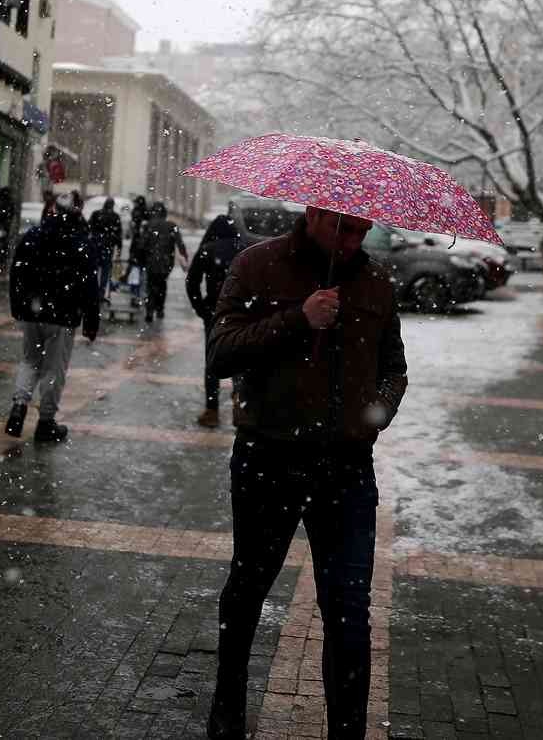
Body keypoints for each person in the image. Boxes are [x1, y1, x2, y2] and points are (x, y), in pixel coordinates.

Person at [206, 207, 407, 740]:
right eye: (345, 227)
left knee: (348, 609)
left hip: (345, 467)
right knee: (248, 587)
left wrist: (376, 415)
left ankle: (348, 732)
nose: (354, 240)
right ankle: (227, 711)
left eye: (364, 230)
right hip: (268, 457)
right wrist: (299, 318)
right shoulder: (257, 264)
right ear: (315, 211)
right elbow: (220, 352)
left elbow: (395, 368)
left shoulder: (376, 281)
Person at [4, 193, 100, 443]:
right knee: (53, 370)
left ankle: (18, 407)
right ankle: (45, 422)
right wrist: (91, 320)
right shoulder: (80, 241)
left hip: (33, 314)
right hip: (62, 317)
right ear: (78, 213)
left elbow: (17, 272)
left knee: (29, 361)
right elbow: (91, 286)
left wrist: (19, 306)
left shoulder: (34, 236)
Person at [186, 214, 247, 427]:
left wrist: (201, 308)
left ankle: (212, 412)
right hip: (240, 315)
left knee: (213, 361)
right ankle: (239, 404)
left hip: (214, 313)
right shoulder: (245, 250)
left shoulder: (207, 250)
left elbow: (191, 282)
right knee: (239, 360)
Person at [134, 201, 188, 323]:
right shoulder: (172, 226)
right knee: (162, 285)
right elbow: (180, 244)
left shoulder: (149, 226)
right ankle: (160, 309)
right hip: (166, 262)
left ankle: (149, 310)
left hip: (151, 261)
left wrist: (140, 258)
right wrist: (185, 257)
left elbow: (141, 245)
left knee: (151, 286)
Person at [88, 197, 125, 302]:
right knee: (105, 271)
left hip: (96, 246)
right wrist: (119, 250)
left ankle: (92, 292)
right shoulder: (115, 217)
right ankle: (101, 293)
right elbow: (118, 234)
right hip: (108, 247)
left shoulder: (96, 214)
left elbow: (89, 228)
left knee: (94, 270)